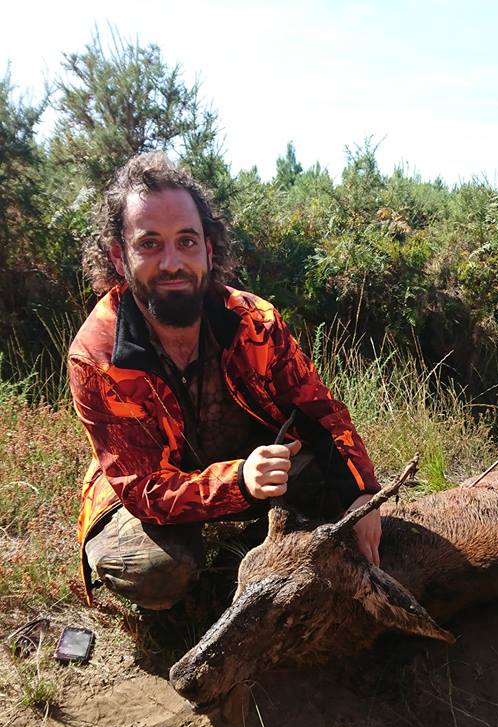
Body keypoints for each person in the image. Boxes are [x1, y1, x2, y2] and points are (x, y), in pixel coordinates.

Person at [69, 152, 381, 611]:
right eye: (150, 244)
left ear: (208, 250)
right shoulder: (97, 356)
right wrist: (239, 481)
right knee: (154, 571)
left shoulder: (256, 321)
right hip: (154, 486)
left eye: (187, 241)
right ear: (120, 256)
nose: (172, 262)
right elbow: (144, 489)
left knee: (346, 501)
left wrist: (363, 493)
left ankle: (267, 528)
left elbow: (320, 413)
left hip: (251, 463)